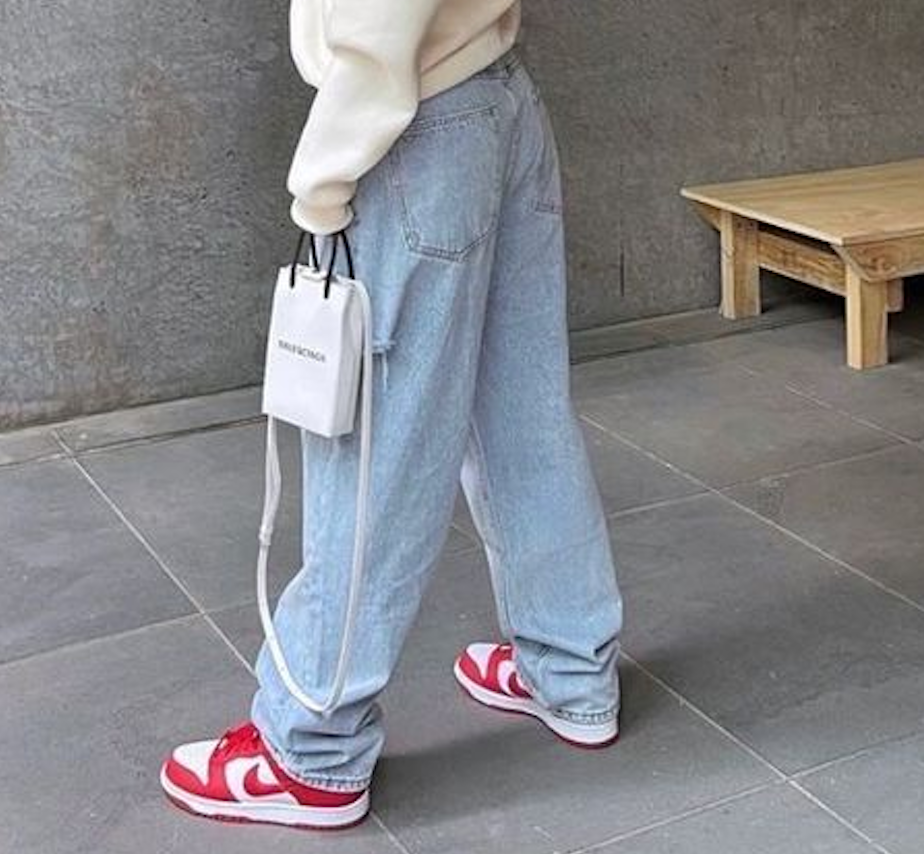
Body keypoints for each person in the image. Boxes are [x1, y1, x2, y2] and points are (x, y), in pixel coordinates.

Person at [159, 0, 624, 830]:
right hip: (499, 97)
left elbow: (382, 24)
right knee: (522, 414)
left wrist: (324, 178)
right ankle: (572, 669)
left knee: (379, 448)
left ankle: (311, 750)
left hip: (418, 123)